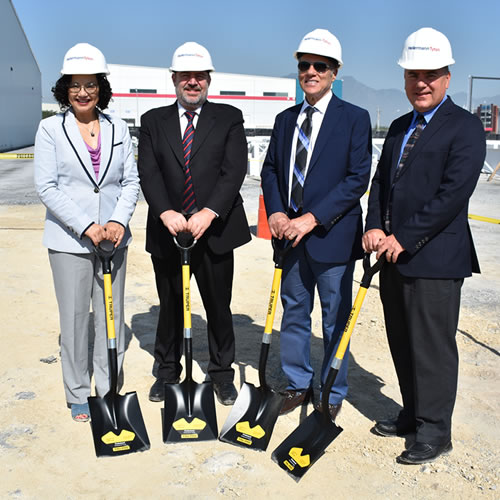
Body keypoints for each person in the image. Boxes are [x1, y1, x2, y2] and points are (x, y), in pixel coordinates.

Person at [362, 28, 486, 464]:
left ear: (447, 77)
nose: (422, 82)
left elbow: (452, 195)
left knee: (431, 347)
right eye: (414, 74)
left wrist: (404, 237)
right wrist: (374, 225)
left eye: (431, 74)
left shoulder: (465, 128)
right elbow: (382, 184)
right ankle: (413, 413)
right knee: (401, 341)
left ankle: (436, 431)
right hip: (393, 256)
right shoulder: (398, 128)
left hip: (434, 259)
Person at [261, 29, 372, 419]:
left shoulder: (355, 119)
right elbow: (271, 169)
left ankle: (331, 391)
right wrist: (276, 212)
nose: (310, 71)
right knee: (294, 311)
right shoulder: (285, 119)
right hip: (289, 236)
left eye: (319, 66)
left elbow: (357, 178)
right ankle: (296, 383)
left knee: (334, 316)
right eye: (304, 65)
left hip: (332, 237)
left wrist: (311, 218)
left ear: (334, 71)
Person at [138, 42, 251, 405]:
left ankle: (221, 374)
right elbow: (149, 172)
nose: (192, 82)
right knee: (170, 304)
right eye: (185, 76)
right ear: (173, 79)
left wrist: (208, 212)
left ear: (208, 80)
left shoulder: (229, 117)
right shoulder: (153, 121)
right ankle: (167, 372)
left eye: (199, 76)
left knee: (218, 306)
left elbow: (233, 171)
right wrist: (166, 212)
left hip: (215, 231)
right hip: (169, 230)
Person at [34, 43, 140, 422]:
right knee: (76, 319)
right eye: (76, 85)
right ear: (65, 88)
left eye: (90, 85)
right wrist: (87, 225)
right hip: (70, 241)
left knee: (112, 316)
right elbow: (47, 187)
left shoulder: (118, 128)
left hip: (114, 239)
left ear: (101, 87)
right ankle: (78, 391)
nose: (83, 92)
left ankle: (108, 387)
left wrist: (116, 222)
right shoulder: (50, 128)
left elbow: (130, 181)